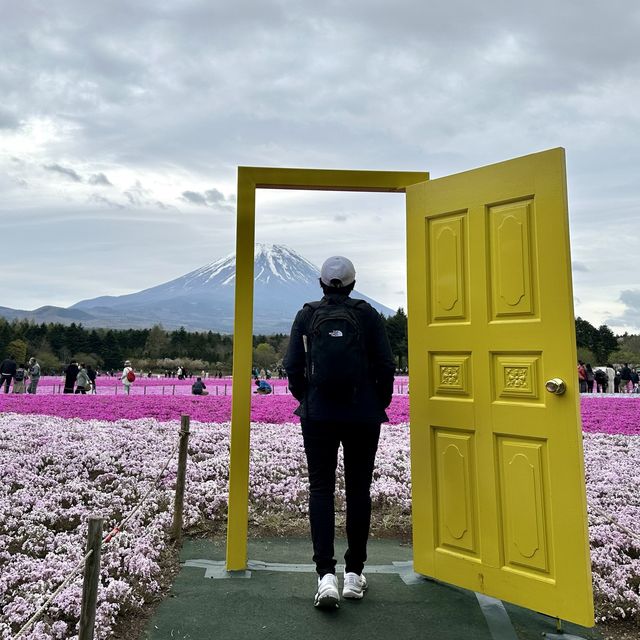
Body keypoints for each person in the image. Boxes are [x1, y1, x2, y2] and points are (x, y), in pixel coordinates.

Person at [283, 255, 395, 609]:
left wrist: (310, 396)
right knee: (358, 490)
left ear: (321, 283)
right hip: (362, 414)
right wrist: (377, 403)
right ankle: (354, 574)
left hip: (318, 413)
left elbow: (292, 366)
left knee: (321, 488)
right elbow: (386, 365)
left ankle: (325, 577)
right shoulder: (367, 314)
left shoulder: (306, 314)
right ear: (353, 283)